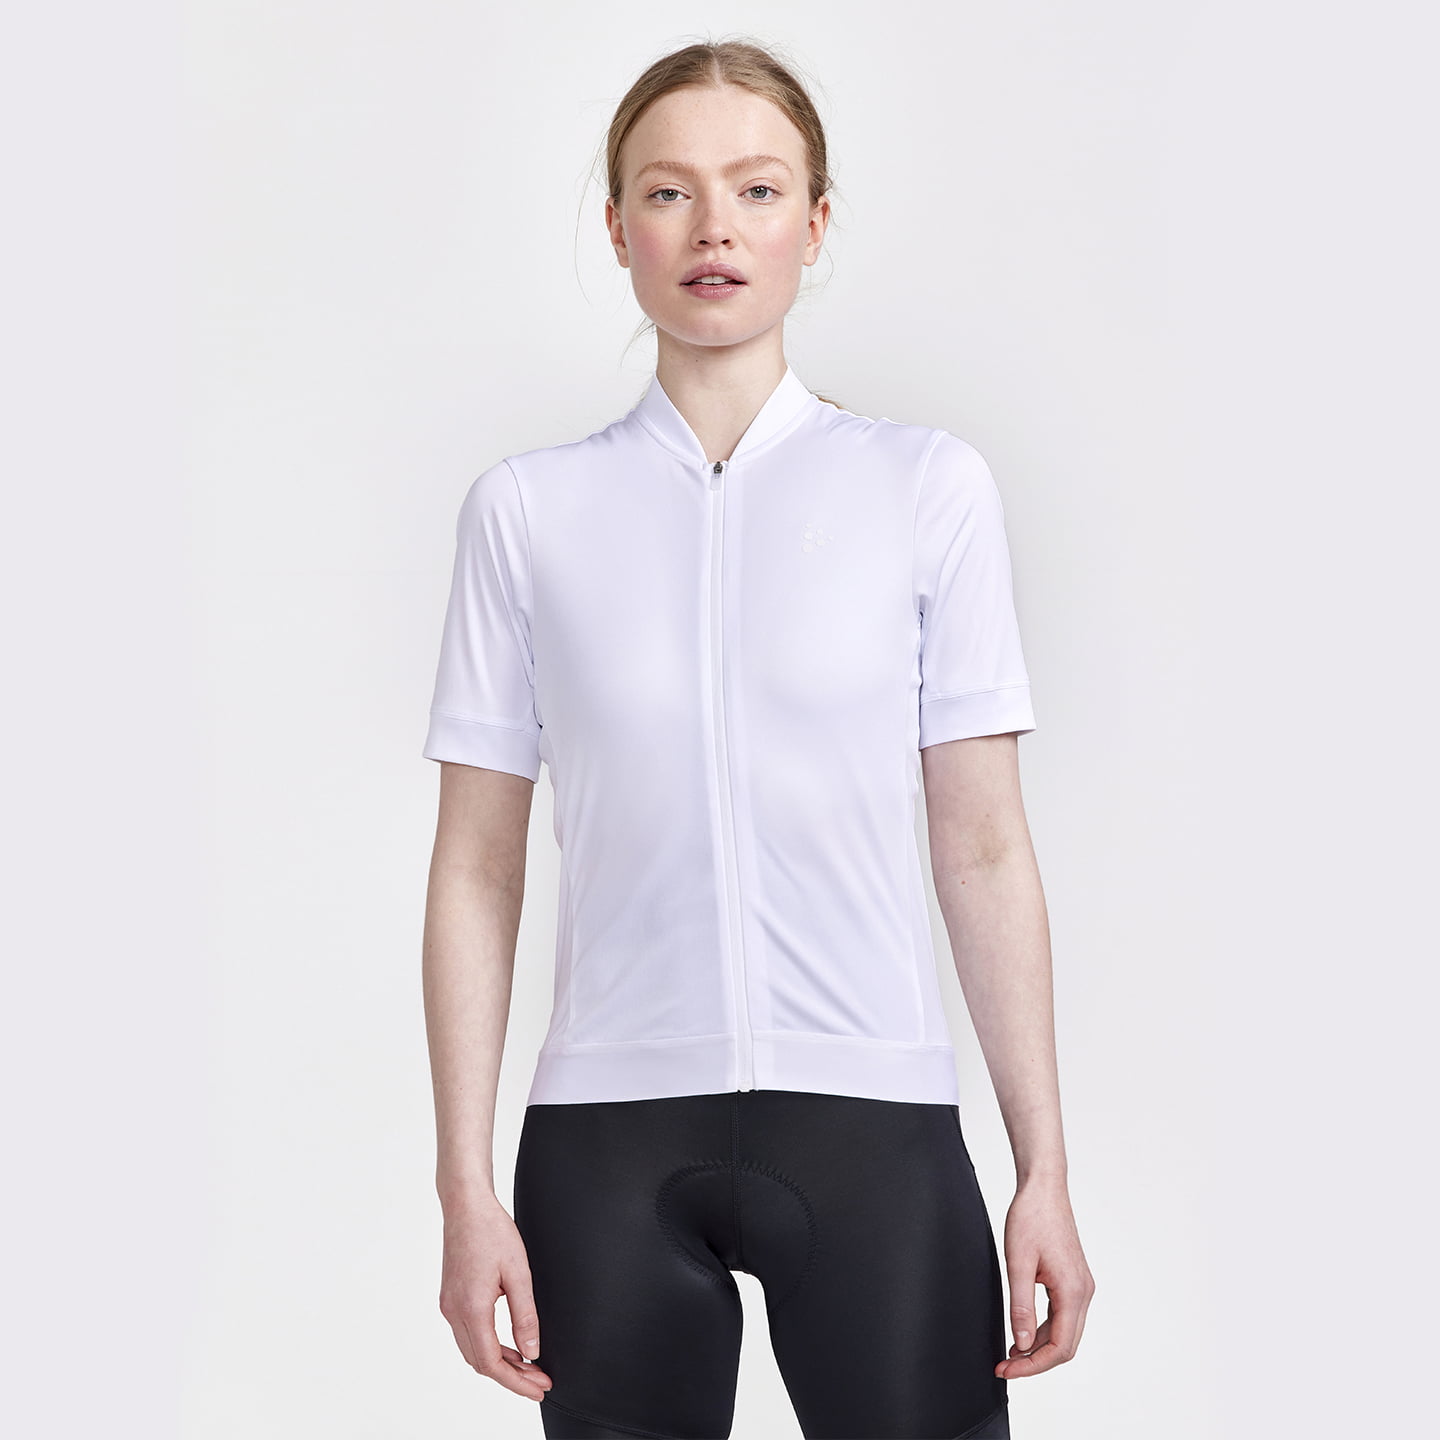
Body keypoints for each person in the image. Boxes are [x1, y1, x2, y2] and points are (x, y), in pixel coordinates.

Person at [420, 38, 1094, 1440]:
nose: (713, 227)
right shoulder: (528, 514)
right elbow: (477, 869)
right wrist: (463, 1188)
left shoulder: (927, 489)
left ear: (815, 222)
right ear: (619, 229)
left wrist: (1044, 1167)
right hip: (607, 1135)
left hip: (871, 1121)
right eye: (668, 192)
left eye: (758, 188)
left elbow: (982, 845)